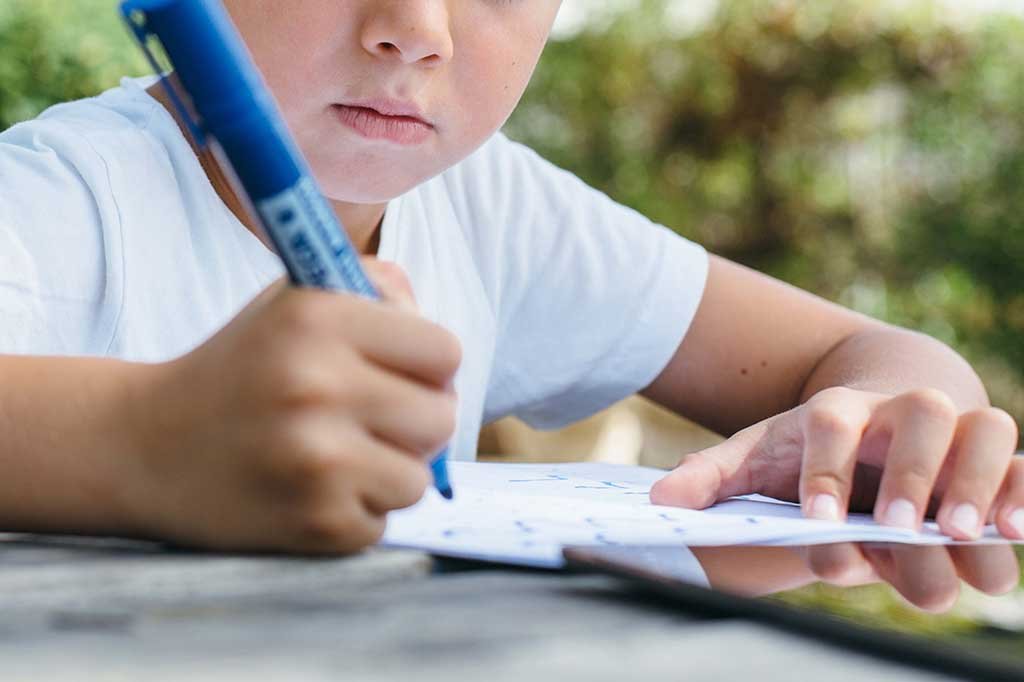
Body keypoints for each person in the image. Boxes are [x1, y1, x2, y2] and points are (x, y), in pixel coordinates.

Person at [0, 1, 1020, 591]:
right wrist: (146, 440)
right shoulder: (62, 195)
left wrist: (878, 418)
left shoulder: (489, 204)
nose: (414, 28)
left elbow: (870, 355)